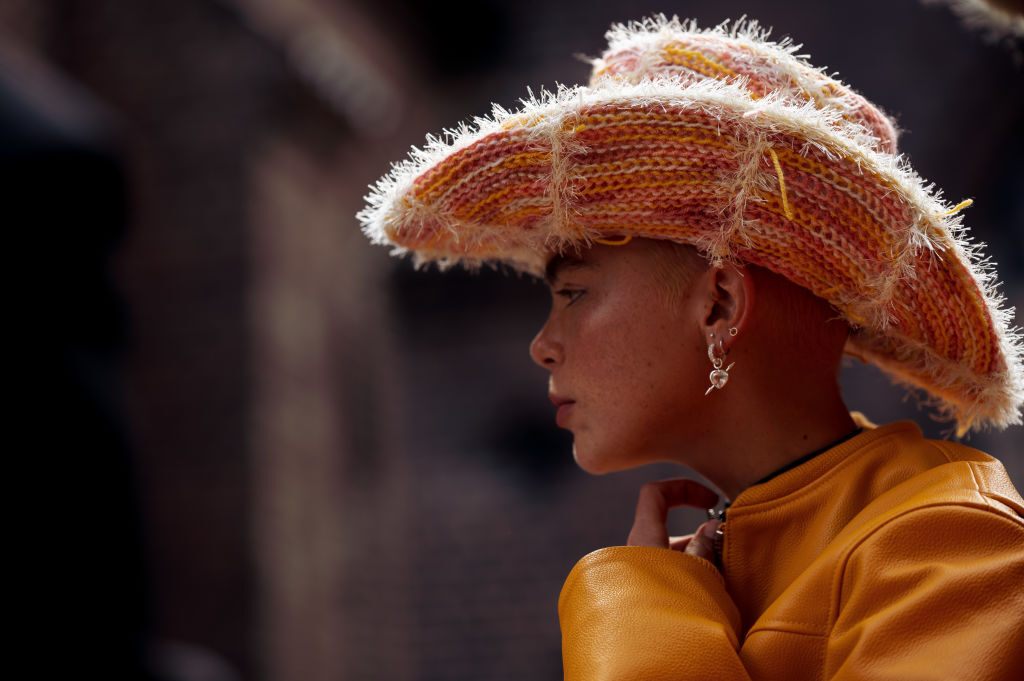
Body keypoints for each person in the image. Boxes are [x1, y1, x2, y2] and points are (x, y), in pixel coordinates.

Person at [359, 16, 1024, 680]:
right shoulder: (731, 563)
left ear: (720, 304)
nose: (542, 346)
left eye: (575, 294)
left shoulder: (948, 545)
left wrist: (640, 608)